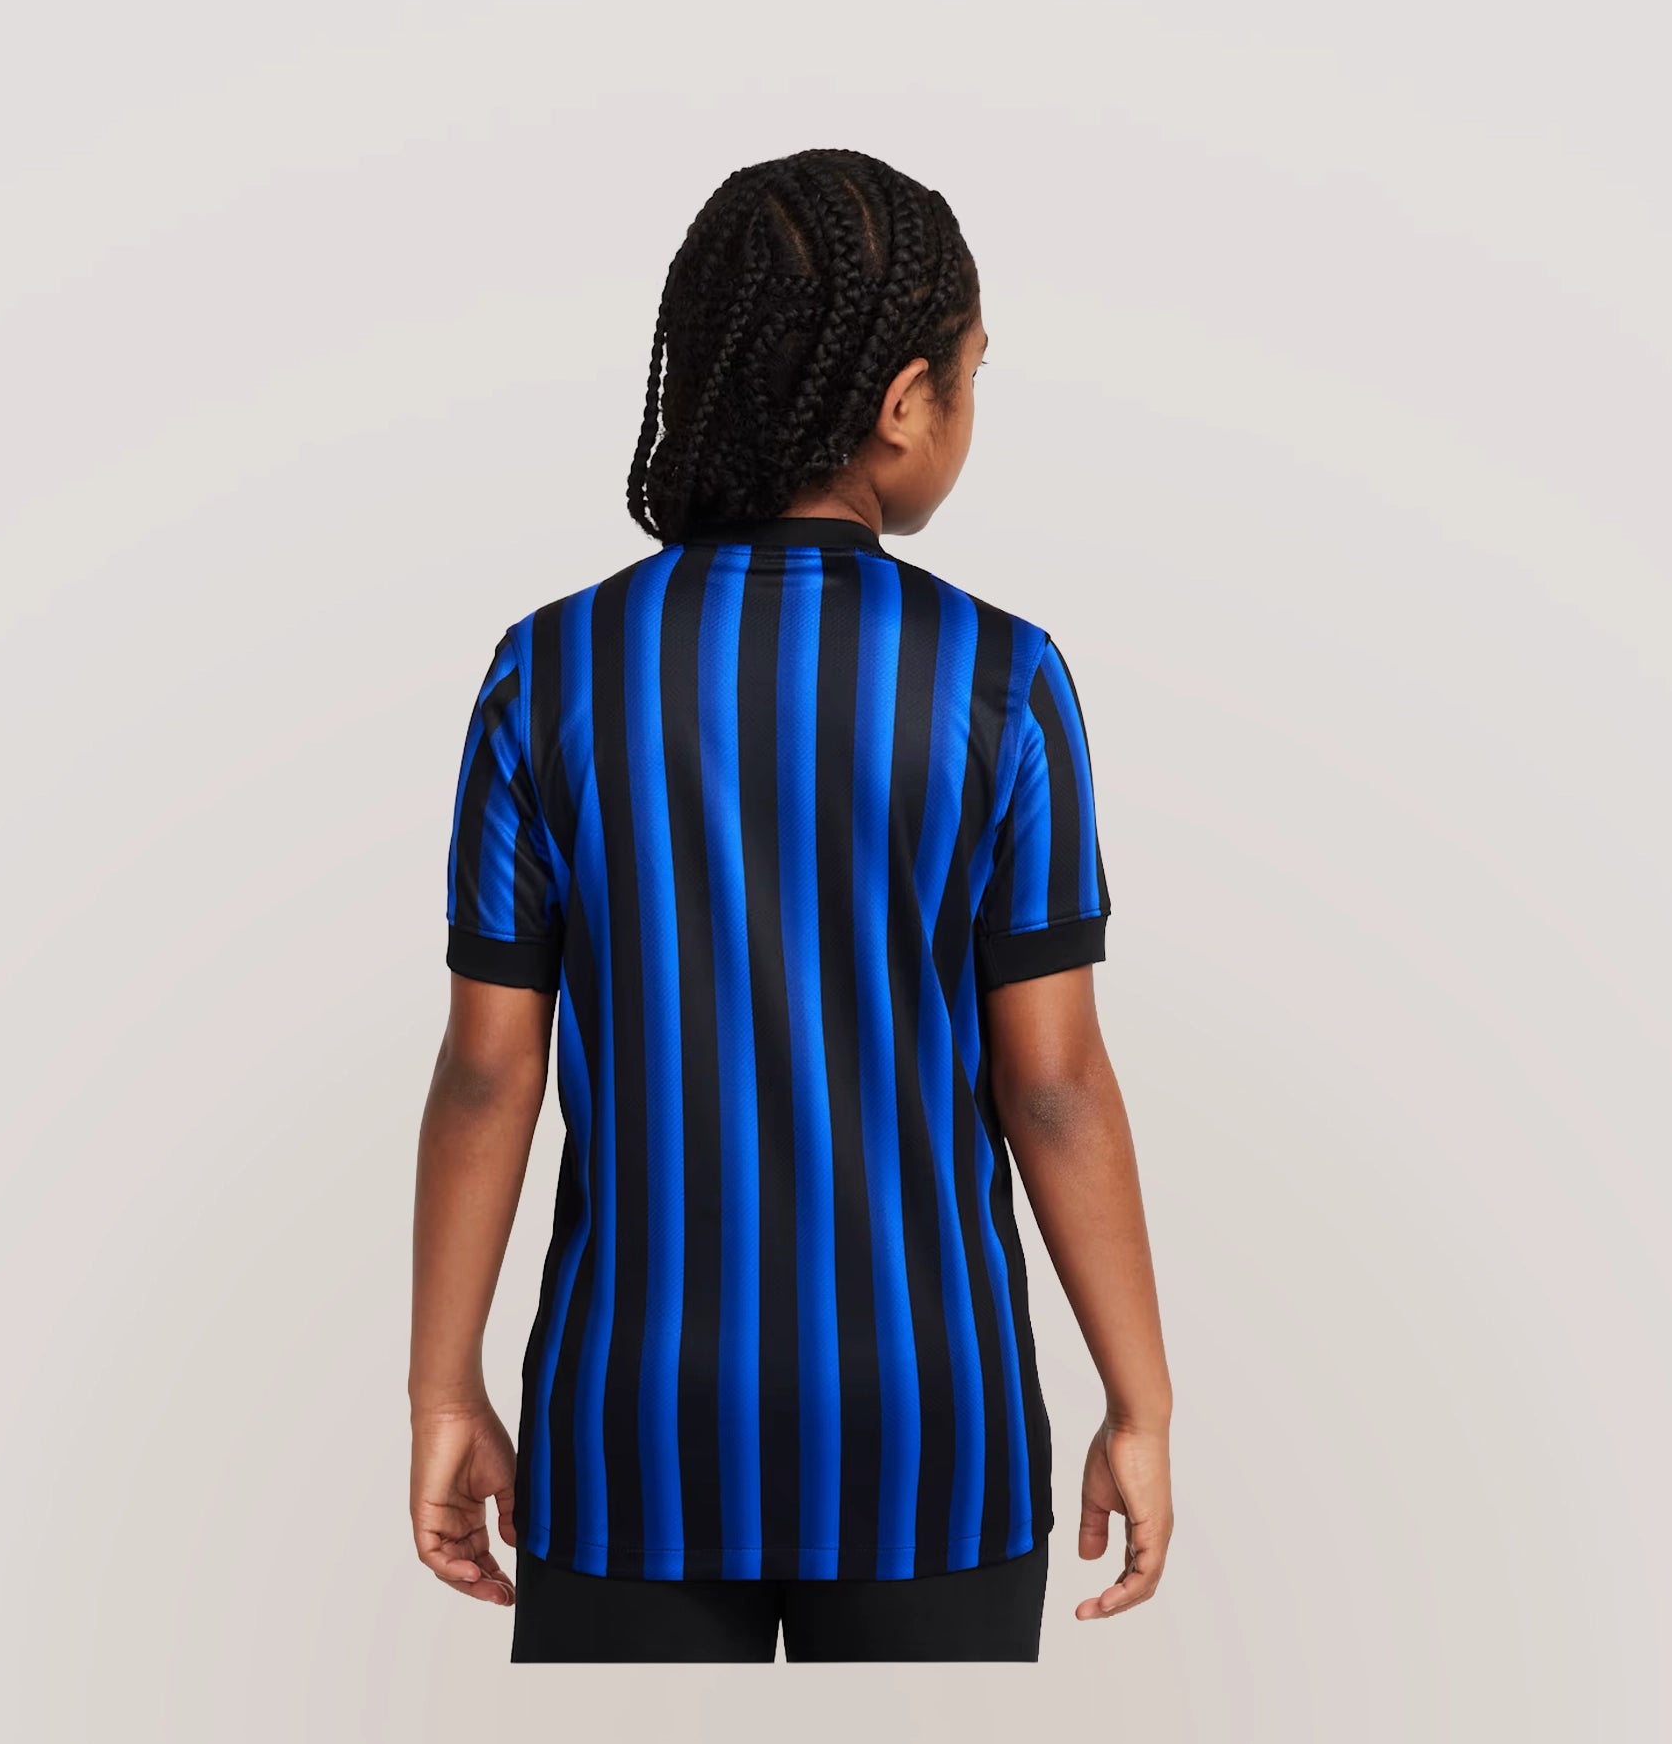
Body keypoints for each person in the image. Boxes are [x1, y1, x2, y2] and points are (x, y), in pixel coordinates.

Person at [408, 148, 1173, 1663]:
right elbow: (1055, 1084)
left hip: (627, 1432)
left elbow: (491, 1070)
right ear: (904, 403)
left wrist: (444, 1389)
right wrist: (1138, 1402)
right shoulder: (1001, 681)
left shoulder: (547, 672)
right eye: (971, 376)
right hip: (929, 1432)